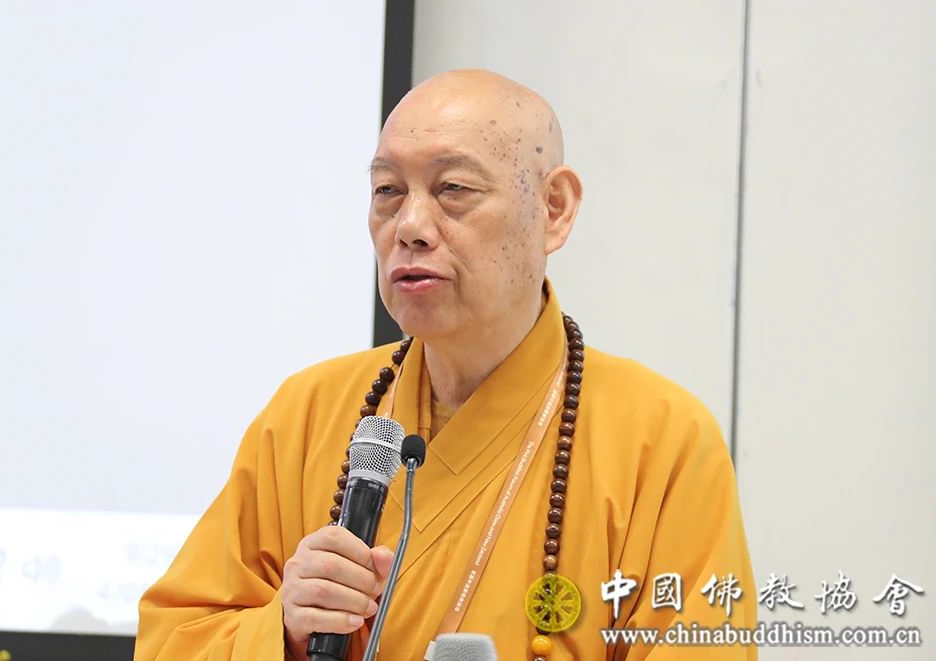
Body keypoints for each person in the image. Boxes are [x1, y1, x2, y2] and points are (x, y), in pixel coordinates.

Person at [135, 69, 758, 660]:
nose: (409, 226)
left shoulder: (660, 439)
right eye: (387, 191)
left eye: (453, 189)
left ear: (554, 208)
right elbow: (174, 641)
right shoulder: (308, 413)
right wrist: (284, 631)